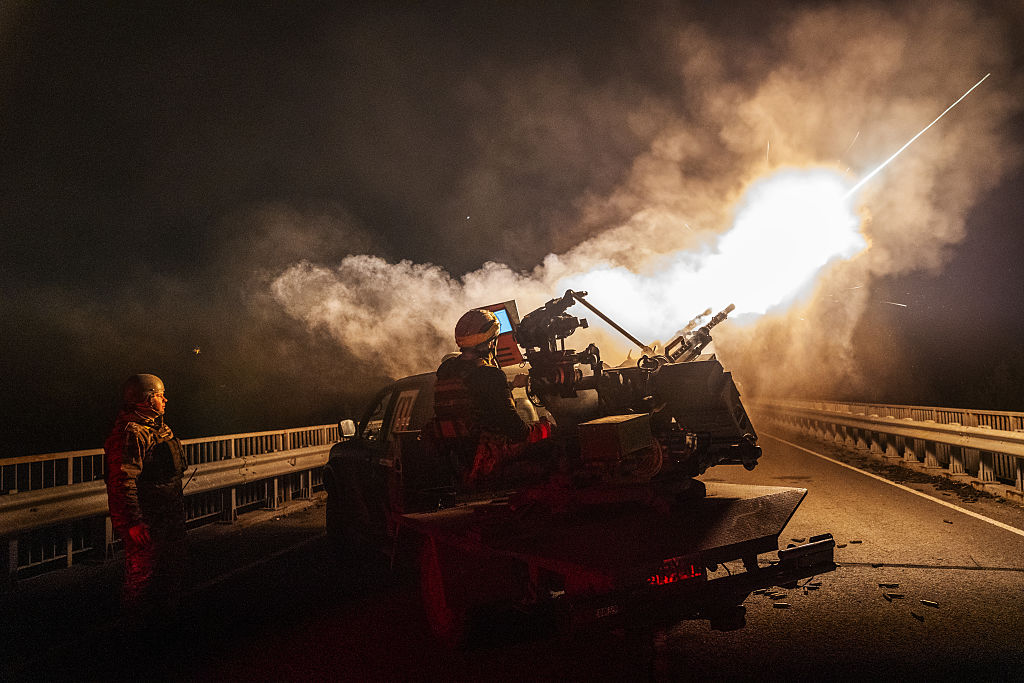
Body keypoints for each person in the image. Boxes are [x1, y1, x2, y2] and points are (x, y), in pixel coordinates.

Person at [103, 373, 188, 620]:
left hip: (169, 516)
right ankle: (135, 638)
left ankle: (164, 629)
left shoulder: (156, 429)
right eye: (160, 396)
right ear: (146, 400)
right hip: (148, 521)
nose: (166, 400)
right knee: (142, 582)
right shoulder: (132, 433)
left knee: (171, 575)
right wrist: (132, 523)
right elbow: (121, 482)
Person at [432, 308, 530, 489]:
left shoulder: (446, 370)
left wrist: (511, 386)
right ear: (491, 342)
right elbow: (514, 427)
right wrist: (535, 431)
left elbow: (474, 396)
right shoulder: (489, 374)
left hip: (458, 461)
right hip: (486, 459)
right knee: (550, 439)